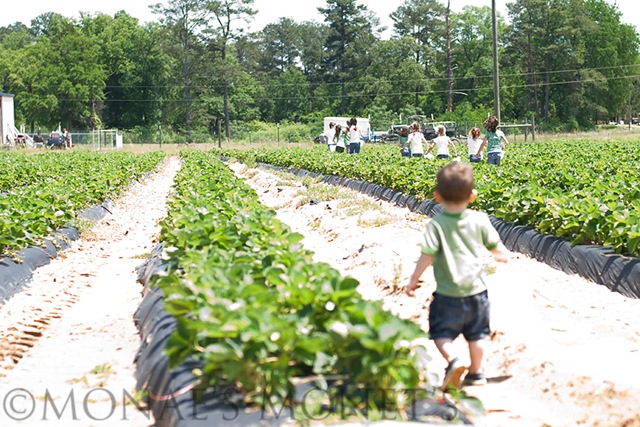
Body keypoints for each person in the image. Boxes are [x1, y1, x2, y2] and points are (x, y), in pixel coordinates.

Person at [406, 162, 510, 390]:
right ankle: (476, 372)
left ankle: (453, 358)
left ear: (437, 196)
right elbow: (496, 247)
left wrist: (414, 279)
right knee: (477, 334)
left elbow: (427, 255)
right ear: (473, 195)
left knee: (440, 332)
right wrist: (502, 255)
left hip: (447, 293)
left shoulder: (436, 225)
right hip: (477, 292)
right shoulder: (480, 220)